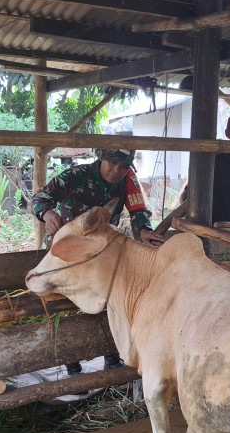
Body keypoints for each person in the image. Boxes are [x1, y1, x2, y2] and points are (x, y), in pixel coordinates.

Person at [31, 148, 164, 376]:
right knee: (66, 306)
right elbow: (40, 198)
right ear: (101, 158)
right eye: (112, 163)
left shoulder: (128, 179)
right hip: (68, 253)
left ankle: (111, 356)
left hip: (102, 254)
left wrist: (143, 230)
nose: (117, 170)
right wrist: (48, 214)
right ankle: (71, 361)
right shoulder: (75, 175)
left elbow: (138, 208)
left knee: (109, 299)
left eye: (123, 166)